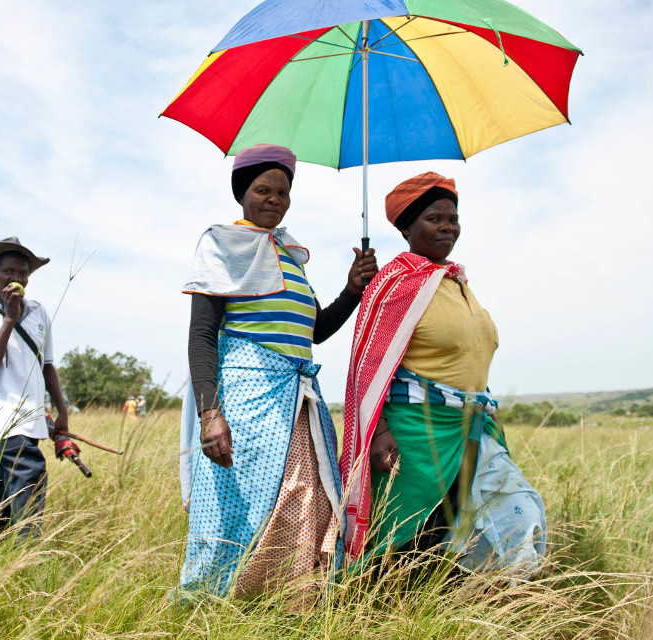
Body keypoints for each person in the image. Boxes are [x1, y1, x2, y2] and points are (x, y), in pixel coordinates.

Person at [179, 143, 378, 598]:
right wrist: (211, 414)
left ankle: (290, 599)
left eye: (283, 191)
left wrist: (352, 289)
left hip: (298, 400)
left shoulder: (290, 254)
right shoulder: (221, 244)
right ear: (241, 195)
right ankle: (218, 601)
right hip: (246, 400)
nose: (274, 198)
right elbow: (202, 336)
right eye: (262, 189)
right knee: (241, 502)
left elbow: (315, 330)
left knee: (305, 498)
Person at [340, 172, 546, 578]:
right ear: (407, 227)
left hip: (470, 428)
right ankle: (369, 612)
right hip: (415, 433)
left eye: (453, 217)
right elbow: (366, 367)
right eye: (435, 218)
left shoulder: (455, 280)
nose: (448, 226)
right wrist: (379, 430)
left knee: (514, 511)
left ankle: (494, 598)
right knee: (403, 535)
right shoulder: (395, 282)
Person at [0, 237, 69, 540]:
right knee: (28, 483)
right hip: (3, 419)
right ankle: (27, 558)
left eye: (23, 273)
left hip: (32, 420)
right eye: (9, 271)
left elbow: (47, 365)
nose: (17, 278)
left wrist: (62, 412)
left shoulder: (38, 312)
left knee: (0, 498)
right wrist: (9, 318)